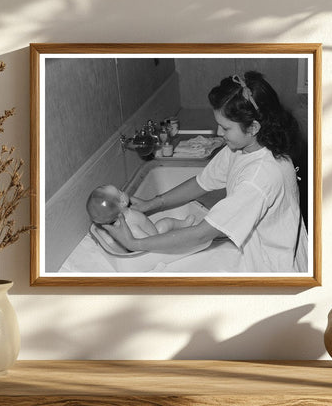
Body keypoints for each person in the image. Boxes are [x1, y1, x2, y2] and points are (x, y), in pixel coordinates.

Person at [103, 71, 308, 272]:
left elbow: (202, 234)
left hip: (276, 269)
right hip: (260, 251)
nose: (219, 133)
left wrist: (134, 243)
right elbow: (201, 183)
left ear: (254, 127)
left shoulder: (259, 178)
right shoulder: (243, 148)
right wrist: (152, 203)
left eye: (225, 128)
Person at [86, 185, 195, 239]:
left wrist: (143, 202)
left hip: (153, 231)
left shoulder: (126, 211)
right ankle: (182, 227)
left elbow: (141, 204)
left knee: (166, 222)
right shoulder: (130, 227)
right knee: (166, 222)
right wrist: (160, 243)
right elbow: (144, 243)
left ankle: (183, 224)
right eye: (120, 191)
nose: (123, 191)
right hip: (154, 237)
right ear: (123, 201)